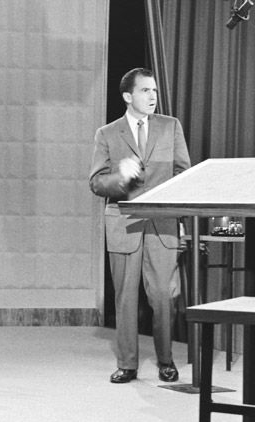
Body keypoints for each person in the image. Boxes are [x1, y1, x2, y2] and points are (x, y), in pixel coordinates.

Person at [89, 67, 191, 384]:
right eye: (145, 90)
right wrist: (121, 177)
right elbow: (96, 182)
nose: (152, 96)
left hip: (163, 224)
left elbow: (183, 174)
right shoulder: (107, 133)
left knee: (163, 296)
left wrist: (181, 220)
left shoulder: (170, 127)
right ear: (127, 96)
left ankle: (166, 360)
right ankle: (127, 364)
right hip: (124, 224)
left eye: (154, 90)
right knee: (125, 298)